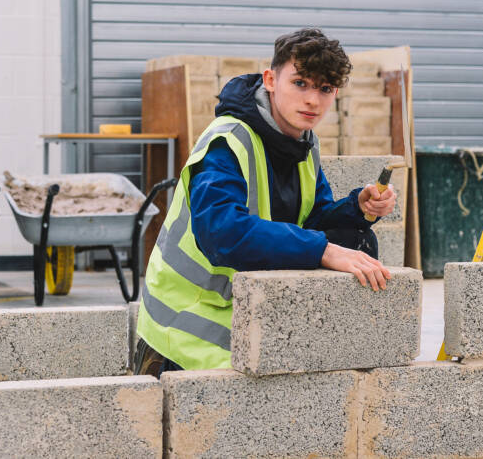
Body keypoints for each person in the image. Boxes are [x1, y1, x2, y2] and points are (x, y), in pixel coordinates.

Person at [135, 28, 397, 376]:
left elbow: (313, 218)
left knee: (355, 240)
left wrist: (357, 208)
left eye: (325, 89)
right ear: (271, 79)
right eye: (300, 83)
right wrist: (323, 250)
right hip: (186, 328)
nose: (312, 100)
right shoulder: (227, 141)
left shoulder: (304, 144)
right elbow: (222, 233)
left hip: (249, 311)